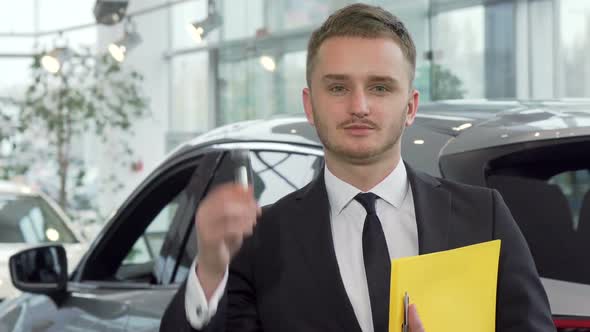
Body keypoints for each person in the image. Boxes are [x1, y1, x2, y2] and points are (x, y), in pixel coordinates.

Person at [160, 3, 555, 332]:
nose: (359, 106)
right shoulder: (259, 241)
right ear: (310, 105)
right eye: (337, 88)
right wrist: (210, 267)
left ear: (411, 106)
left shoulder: (482, 217)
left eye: (380, 87)